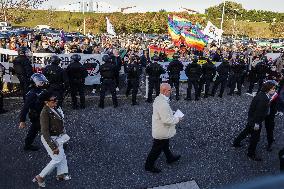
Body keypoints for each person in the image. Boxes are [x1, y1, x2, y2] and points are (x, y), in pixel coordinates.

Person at [32, 92, 71, 188]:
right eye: (53, 101)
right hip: (50, 139)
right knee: (57, 158)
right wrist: (53, 147)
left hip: (58, 137)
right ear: (46, 102)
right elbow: (45, 132)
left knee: (62, 155)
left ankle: (60, 175)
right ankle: (40, 176)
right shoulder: (44, 113)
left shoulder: (54, 108)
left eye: (56, 99)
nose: (56, 102)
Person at [233, 81, 276, 161]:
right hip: (256, 121)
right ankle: (251, 153)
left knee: (246, 131)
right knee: (255, 138)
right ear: (268, 89)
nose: (274, 90)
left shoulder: (261, 94)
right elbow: (259, 112)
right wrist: (256, 123)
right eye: (273, 89)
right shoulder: (264, 99)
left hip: (252, 119)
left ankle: (236, 142)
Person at [145, 83, 183, 173]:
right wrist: (178, 119)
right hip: (161, 130)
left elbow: (163, 112)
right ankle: (148, 165)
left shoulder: (159, 98)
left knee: (165, 144)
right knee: (157, 148)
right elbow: (166, 120)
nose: (171, 92)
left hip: (160, 128)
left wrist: (172, 112)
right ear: (164, 91)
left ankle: (169, 158)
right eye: (169, 90)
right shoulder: (163, 103)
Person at [19, 73, 49, 151]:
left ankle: (27, 145)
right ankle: (56, 144)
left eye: (42, 82)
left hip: (42, 113)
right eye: (40, 82)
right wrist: (22, 120)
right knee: (45, 128)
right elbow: (25, 108)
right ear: (34, 82)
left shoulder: (41, 90)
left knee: (35, 129)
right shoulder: (31, 94)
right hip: (36, 115)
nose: (42, 83)